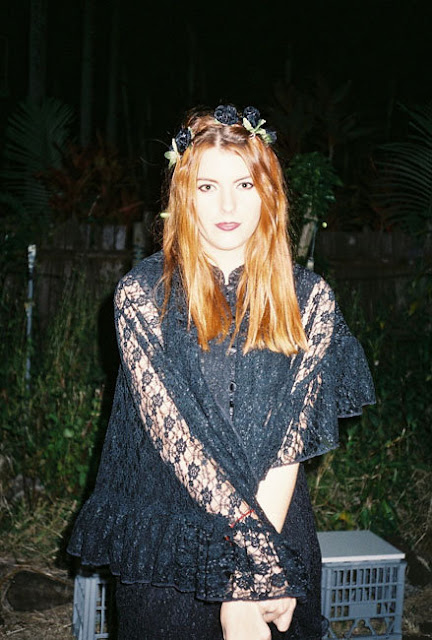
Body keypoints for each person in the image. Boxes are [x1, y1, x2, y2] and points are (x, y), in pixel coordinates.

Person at [68, 104, 375, 640]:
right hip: (171, 542)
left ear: (268, 192)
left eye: (244, 184)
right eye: (207, 187)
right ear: (183, 196)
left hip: (276, 529)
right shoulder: (143, 295)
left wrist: (259, 570)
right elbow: (179, 441)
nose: (227, 205)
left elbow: (287, 446)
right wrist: (251, 573)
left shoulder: (310, 300)